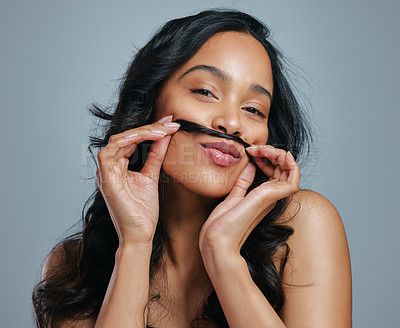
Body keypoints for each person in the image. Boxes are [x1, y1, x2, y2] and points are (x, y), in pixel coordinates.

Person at [32, 9, 352, 328]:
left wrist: (223, 255)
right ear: (150, 103)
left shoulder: (305, 225)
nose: (230, 122)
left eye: (253, 109)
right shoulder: (72, 268)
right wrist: (134, 245)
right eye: (204, 92)